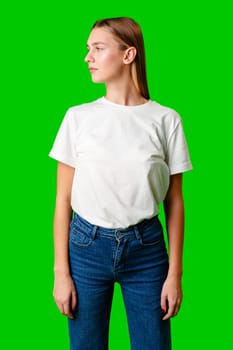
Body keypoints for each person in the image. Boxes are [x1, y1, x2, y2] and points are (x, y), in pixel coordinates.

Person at [49, 17, 192, 350]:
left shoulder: (166, 120)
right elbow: (62, 200)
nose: (88, 57)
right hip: (85, 247)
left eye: (98, 49)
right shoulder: (77, 117)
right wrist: (61, 273)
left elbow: (175, 202)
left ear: (128, 55)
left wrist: (175, 274)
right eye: (88, 50)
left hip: (147, 250)